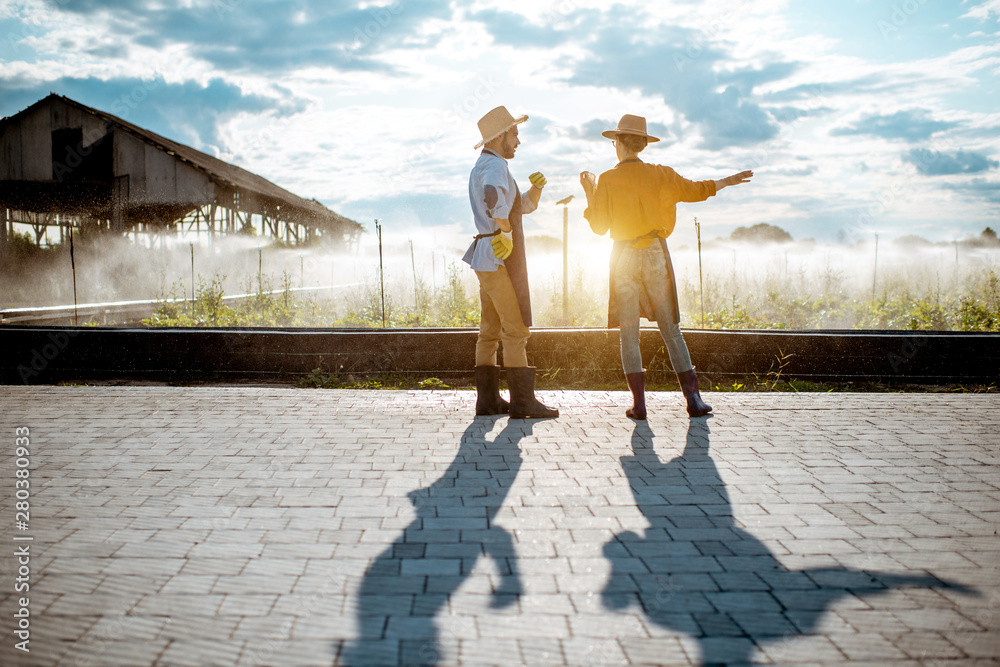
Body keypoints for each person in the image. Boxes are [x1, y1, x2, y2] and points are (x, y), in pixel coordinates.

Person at [580, 114, 753, 419]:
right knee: (671, 329)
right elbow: (698, 190)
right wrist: (727, 181)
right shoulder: (662, 174)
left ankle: (639, 405)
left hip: (622, 256)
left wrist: (590, 192)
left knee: (629, 334)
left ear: (618, 144)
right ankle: (694, 400)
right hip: (656, 253)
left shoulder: (607, 179)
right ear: (643, 144)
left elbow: (598, 227)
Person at [462, 105, 558, 419]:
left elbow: (521, 206)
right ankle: (523, 402)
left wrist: (537, 189)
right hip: (498, 257)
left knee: (489, 330)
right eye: (514, 133)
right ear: (501, 135)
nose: (518, 141)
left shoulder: (489, 164)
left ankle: (488, 402)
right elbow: (492, 199)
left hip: (486, 257)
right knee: (515, 330)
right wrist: (505, 232)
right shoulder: (494, 168)